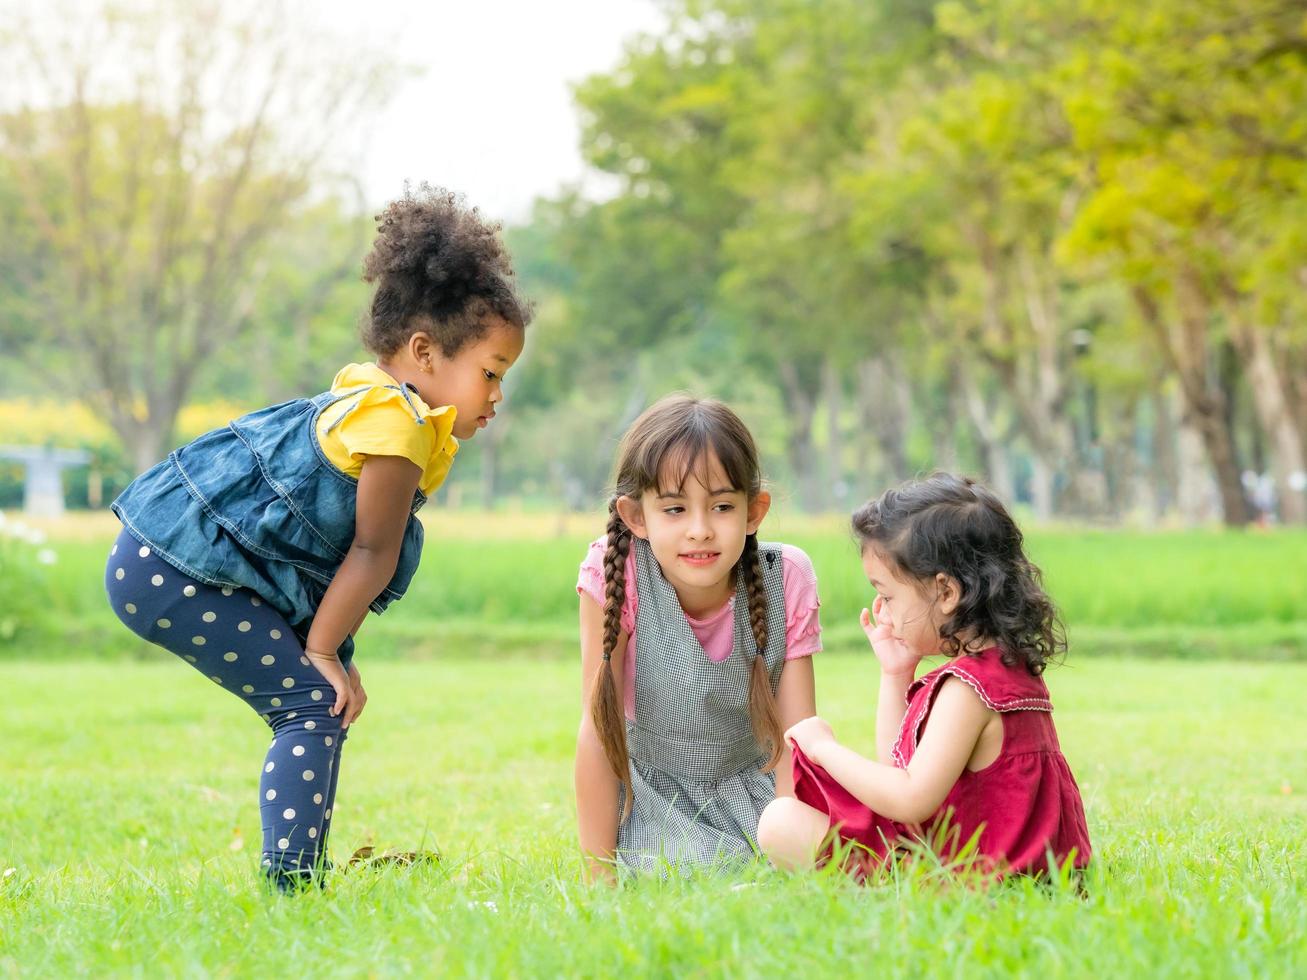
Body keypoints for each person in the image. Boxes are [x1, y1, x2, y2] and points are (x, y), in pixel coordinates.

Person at [104, 185, 529, 889]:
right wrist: (324, 653)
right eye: (490, 373)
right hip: (174, 570)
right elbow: (369, 553)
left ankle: (299, 872)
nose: (496, 397)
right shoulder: (393, 426)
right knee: (309, 705)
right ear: (424, 351)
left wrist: (338, 655)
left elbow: (319, 560)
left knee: (319, 699)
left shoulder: (378, 404)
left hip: (173, 562)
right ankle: (294, 888)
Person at [758, 473, 1091, 881]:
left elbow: (910, 798)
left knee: (781, 821)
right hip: (1000, 861)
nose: (883, 607)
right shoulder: (1006, 670)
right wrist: (896, 674)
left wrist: (825, 749)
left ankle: (876, 888)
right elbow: (900, 769)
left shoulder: (968, 691)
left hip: (971, 874)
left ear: (946, 593)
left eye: (889, 594)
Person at [573, 395, 821, 880]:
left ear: (755, 511)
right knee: (672, 870)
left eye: (723, 506)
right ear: (636, 516)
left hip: (758, 795)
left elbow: (800, 740)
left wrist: (794, 846)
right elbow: (600, 730)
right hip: (653, 799)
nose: (700, 530)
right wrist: (597, 876)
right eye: (675, 509)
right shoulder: (617, 569)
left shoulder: (786, 574)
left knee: (829, 857)